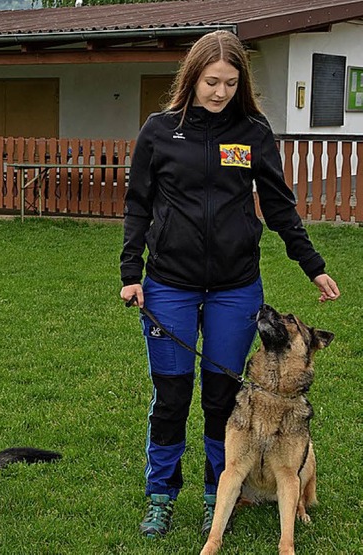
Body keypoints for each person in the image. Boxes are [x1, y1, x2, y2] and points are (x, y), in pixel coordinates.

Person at [119, 30, 339, 539]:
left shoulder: (253, 132)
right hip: (169, 285)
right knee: (171, 396)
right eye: (211, 81)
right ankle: (160, 495)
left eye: (229, 82)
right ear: (192, 78)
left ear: (241, 85)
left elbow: (280, 205)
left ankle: (216, 494)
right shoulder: (158, 131)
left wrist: (313, 264)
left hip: (235, 288)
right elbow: (138, 206)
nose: (219, 92)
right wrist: (132, 273)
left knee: (223, 398)